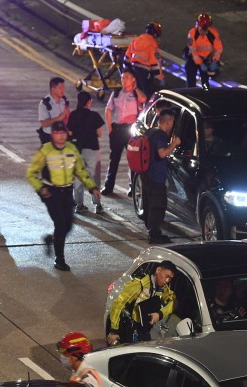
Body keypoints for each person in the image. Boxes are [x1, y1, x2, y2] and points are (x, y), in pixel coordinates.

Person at [26, 121, 100, 272]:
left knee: (68, 226)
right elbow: (31, 174)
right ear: (52, 134)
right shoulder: (45, 151)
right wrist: (41, 189)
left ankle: (51, 239)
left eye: (63, 133)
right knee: (60, 224)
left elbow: (80, 171)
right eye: (57, 133)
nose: (60, 137)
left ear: (67, 134)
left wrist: (92, 187)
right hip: (51, 193)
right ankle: (59, 260)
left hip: (67, 192)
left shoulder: (72, 149)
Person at [106, 260, 177, 346]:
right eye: (166, 276)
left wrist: (160, 314)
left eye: (170, 278)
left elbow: (174, 303)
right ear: (158, 270)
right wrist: (114, 331)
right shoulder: (139, 284)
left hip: (144, 331)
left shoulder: (163, 288)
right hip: (129, 330)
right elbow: (118, 304)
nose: (167, 280)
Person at [102, 71, 147, 196]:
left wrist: (135, 88)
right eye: (122, 78)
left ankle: (132, 186)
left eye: (127, 77)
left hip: (130, 129)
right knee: (114, 159)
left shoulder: (135, 93)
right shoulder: (116, 93)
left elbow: (144, 99)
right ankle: (108, 186)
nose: (123, 80)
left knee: (132, 159)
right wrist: (110, 128)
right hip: (117, 129)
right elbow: (108, 110)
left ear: (133, 79)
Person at [141, 109, 180, 244]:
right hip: (156, 176)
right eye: (172, 122)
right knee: (158, 205)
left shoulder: (150, 131)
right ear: (168, 122)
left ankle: (151, 229)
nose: (172, 125)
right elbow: (162, 154)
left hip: (146, 173)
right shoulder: (161, 136)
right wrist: (174, 144)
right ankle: (155, 234)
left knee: (149, 202)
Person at [67, 91, 105, 214]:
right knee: (94, 177)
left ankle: (79, 204)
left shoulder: (73, 115)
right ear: (88, 102)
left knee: (78, 177)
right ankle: (98, 204)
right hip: (92, 149)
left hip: (77, 150)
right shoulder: (94, 116)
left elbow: (70, 133)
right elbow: (99, 133)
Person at [125, 22, 164, 97]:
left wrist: (126, 70)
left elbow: (127, 56)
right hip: (143, 72)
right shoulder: (152, 44)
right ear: (155, 34)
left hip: (132, 69)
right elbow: (155, 63)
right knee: (146, 93)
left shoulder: (136, 40)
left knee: (134, 91)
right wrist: (159, 77)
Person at [184, 13, 222, 89]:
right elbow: (193, 52)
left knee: (206, 80)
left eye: (205, 30)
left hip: (205, 58)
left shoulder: (213, 34)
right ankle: (190, 92)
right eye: (201, 29)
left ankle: (206, 92)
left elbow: (218, 49)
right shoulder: (192, 33)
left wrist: (215, 61)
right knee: (190, 78)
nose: (203, 32)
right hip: (193, 58)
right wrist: (201, 64)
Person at [37, 76, 70, 145]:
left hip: (62, 137)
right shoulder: (45, 104)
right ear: (53, 89)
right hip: (49, 137)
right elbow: (43, 123)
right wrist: (60, 118)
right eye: (60, 88)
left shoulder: (63, 100)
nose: (63, 90)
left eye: (64, 88)